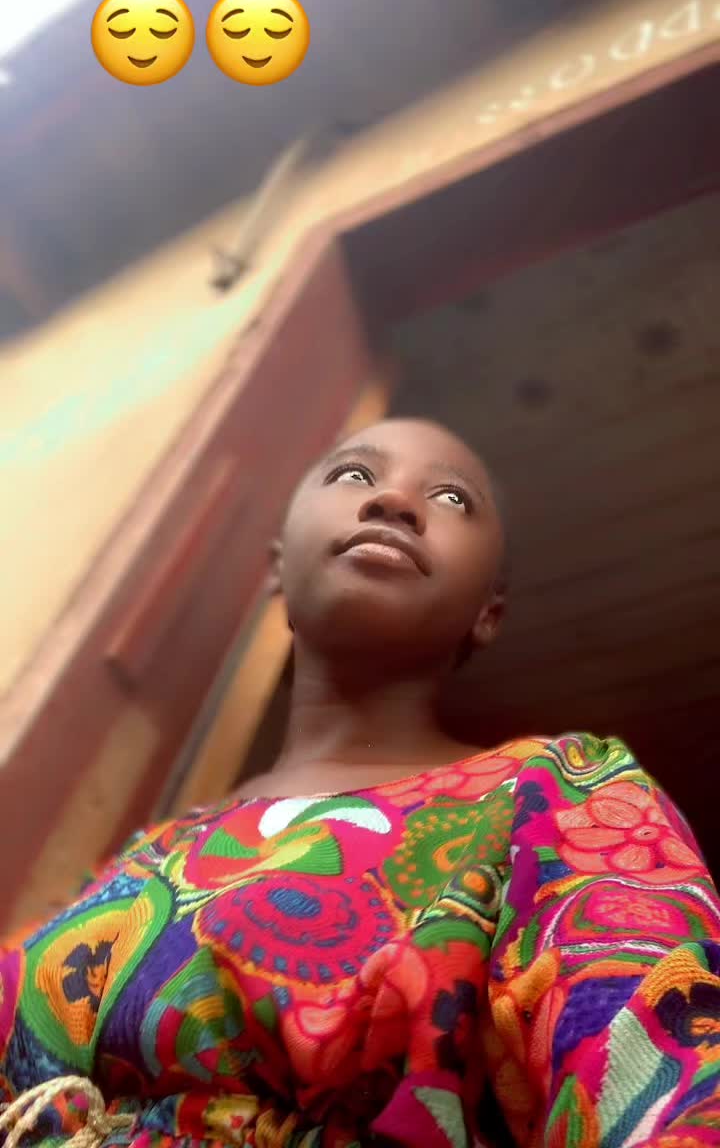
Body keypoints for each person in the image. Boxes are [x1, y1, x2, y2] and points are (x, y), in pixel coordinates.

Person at [1, 416, 719, 1148]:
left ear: (488, 614)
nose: (394, 502)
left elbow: (667, 1055)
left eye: (451, 498)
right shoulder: (149, 856)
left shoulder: (559, 792)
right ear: (277, 569)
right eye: (355, 475)